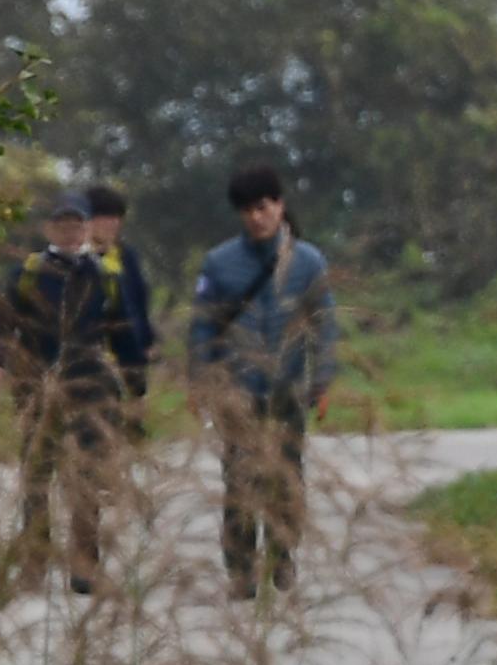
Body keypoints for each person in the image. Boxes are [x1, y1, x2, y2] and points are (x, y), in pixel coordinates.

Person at [189, 162, 339, 600]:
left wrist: (323, 380)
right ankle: (241, 569)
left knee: (286, 479)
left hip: (288, 390)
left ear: (279, 206)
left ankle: (282, 556)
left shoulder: (308, 261)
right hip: (236, 391)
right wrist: (199, 383)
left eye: (263, 207)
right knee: (239, 481)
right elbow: (202, 327)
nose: (256, 217)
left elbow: (324, 324)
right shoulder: (219, 263)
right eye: (247, 210)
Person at [0, 187, 118, 596]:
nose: (70, 231)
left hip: (87, 384)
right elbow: (0, 322)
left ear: (88, 228)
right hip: (35, 383)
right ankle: (35, 563)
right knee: (38, 474)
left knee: (86, 476)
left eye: (77, 224)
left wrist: (132, 377)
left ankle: (84, 565)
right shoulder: (28, 273)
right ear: (49, 228)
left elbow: (124, 329)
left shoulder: (104, 275)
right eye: (62, 224)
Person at [83, 182, 158, 439]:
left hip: (128, 351)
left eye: (117, 217)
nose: (112, 224)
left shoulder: (127, 257)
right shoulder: (76, 260)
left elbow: (139, 301)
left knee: (131, 424)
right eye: (104, 217)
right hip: (88, 358)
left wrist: (147, 341)